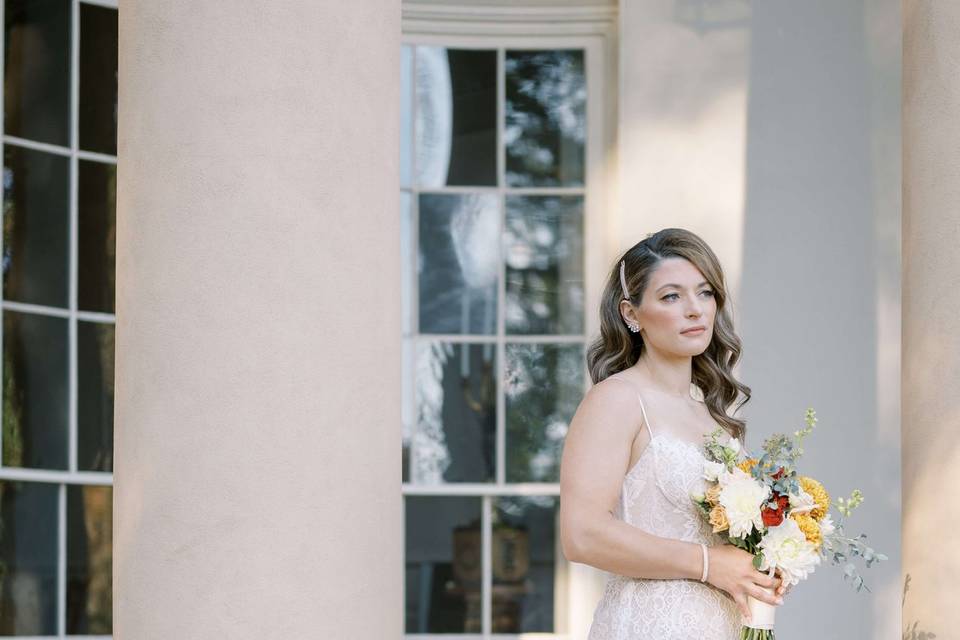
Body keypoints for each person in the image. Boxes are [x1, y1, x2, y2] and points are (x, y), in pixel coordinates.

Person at [559, 228, 790, 640]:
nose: (695, 310)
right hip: (648, 625)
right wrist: (707, 563)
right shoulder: (617, 400)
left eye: (705, 293)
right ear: (631, 313)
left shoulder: (716, 418)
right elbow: (582, 534)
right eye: (671, 296)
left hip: (721, 626)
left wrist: (765, 558)